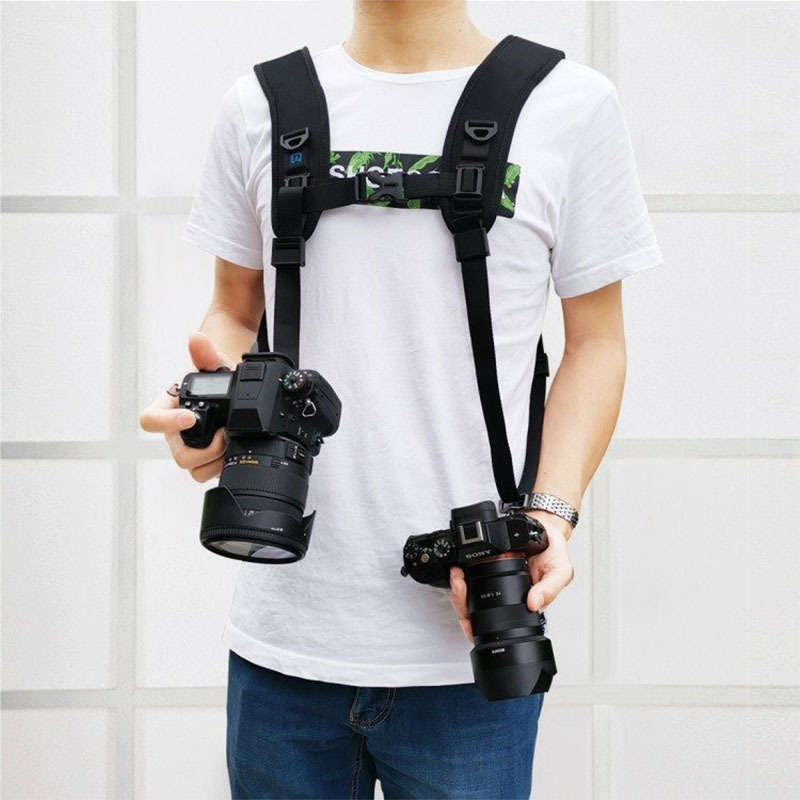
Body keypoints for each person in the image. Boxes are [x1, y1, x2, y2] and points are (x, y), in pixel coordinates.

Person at [139, 1, 663, 797]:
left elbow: (597, 343)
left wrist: (550, 514)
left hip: (473, 640)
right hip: (285, 631)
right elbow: (233, 310)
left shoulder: (570, 105)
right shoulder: (260, 105)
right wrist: (211, 410)